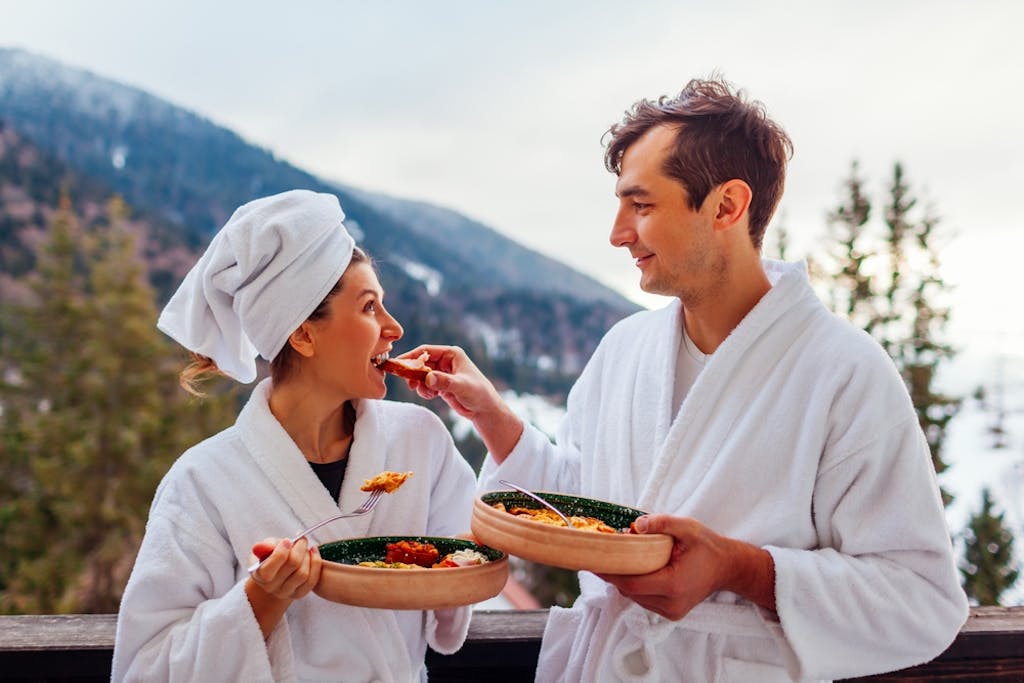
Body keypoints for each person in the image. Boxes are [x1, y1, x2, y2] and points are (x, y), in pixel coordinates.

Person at [401, 78, 968, 682]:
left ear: (726, 207)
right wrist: (493, 417)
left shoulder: (844, 371)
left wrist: (739, 568)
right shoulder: (625, 350)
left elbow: (921, 600)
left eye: (642, 206)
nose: (618, 233)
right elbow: (583, 510)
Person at [111, 189, 478, 682]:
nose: (394, 328)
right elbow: (144, 668)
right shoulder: (203, 482)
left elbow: (462, 583)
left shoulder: (420, 441)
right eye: (369, 307)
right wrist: (260, 599)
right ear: (303, 334)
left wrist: (467, 556)